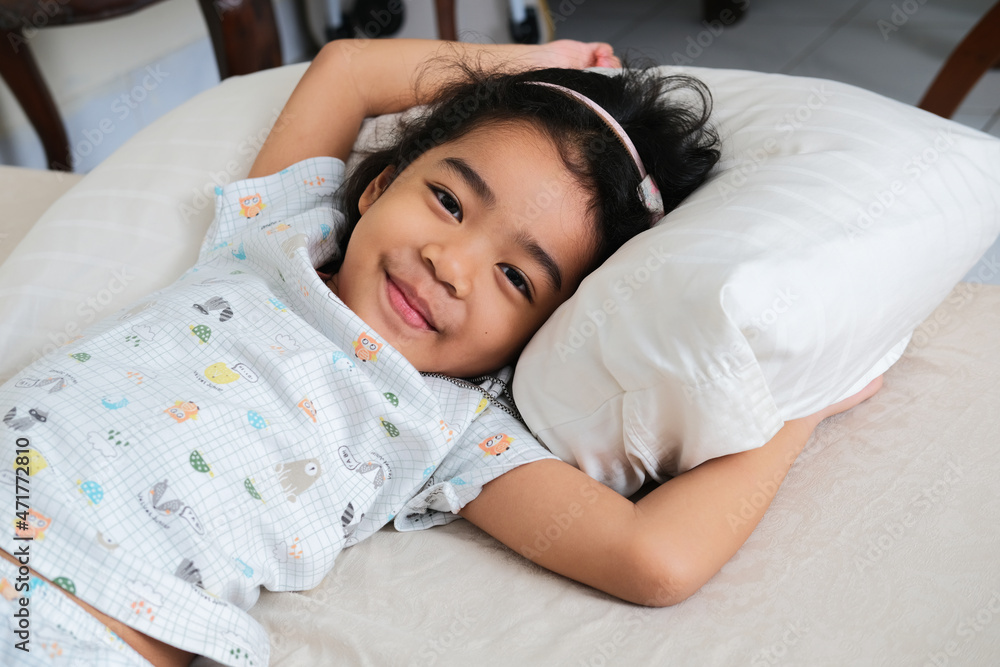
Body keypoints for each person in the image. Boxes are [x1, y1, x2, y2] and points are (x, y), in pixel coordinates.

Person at [0, 38, 880, 667]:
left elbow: (654, 559)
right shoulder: (271, 237)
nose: (450, 265)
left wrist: (795, 399)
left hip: (80, 623)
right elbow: (346, 74)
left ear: (543, 334)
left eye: (515, 277)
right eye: (450, 202)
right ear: (381, 182)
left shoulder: (445, 423)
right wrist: (552, 67)